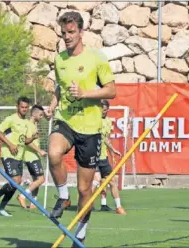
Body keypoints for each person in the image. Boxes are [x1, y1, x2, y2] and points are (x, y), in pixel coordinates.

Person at [44, 11, 116, 245]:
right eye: (64, 33)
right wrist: (52, 105)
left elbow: (111, 91)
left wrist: (86, 93)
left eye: (71, 32)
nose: (67, 37)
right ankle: (63, 197)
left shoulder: (97, 57)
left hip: (91, 129)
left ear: (81, 32)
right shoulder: (59, 59)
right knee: (53, 152)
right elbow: (60, 88)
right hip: (66, 120)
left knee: (85, 190)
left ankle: (81, 232)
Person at [0, 97, 37, 217]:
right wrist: (10, 144)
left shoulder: (27, 123)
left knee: (17, 183)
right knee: (15, 181)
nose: (24, 109)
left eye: (26, 107)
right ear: (18, 107)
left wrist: (32, 138)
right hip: (8, 154)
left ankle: (1, 207)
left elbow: (25, 140)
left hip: (19, 156)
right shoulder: (11, 119)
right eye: (22, 107)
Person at [91, 100, 126, 214]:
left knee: (111, 181)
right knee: (96, 181)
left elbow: (105, 138)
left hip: (103, 157)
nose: (103, 112)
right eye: (101, 109)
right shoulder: (93, 121)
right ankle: (87, 204)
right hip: (93, 156)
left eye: (105, 110)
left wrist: (113, 150)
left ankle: (118, 207)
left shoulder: (108, 122)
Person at [17, 105, 47, 209]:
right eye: (40, 115)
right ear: (34, 114)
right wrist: (40, 151)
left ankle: (33, 202)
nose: (42, 117)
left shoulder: (33, 124)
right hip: (31, 156)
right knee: (41, 179)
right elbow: (27, 142)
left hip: (33, 156)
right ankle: (22, 196)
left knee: (36, 180)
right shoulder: (29, 125)